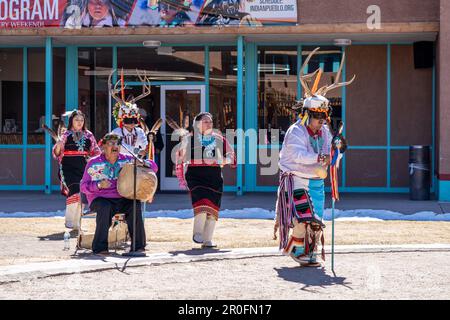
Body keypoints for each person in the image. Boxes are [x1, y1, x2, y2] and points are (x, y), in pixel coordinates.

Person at [276, 48, 354, 267]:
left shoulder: (325, 132)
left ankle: (310, 253)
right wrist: (318, 158)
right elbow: (296, 155)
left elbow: (331, 150)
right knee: (303, 218)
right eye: (318, 117)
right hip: (297, 179)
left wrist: (338, 147)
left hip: (317, 182)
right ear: (308, 114)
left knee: (317, 222)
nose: (322, 121)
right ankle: (297, 249)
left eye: (324, 117)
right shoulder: (296, 131)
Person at [80, 133, 158, 255]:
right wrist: (99, 185)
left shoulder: (127, 159)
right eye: (111, 143)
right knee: (104, 206)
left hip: (122, 197)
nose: (115, 146)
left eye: (117, 143)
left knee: (134, 204)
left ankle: (138, 247)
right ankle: (100, 248)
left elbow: (154, 166)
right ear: (103, 147)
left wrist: (142, 163)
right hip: (100, 198)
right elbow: (83, 186)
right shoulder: (93, 163)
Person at [175, 112, 236, 248]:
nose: (209, 124)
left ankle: (207, 240)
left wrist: (224, 160)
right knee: (202, 204)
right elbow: (181, 158)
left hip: (214, 177)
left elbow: (231, 154)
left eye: (210, 121)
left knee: (213, 209)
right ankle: (198, 234)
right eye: (205, 121)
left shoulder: (219, 139)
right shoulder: (189, 139)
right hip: (195, 176)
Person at [53, 110, 101, 230]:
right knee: (74, 190)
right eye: (76, 120)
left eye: (81, 120)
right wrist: (58, 145)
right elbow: (57, 153)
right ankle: (69, 221)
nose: (79, 122)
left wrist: (94, 161)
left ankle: (77, 224)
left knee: (82, 193)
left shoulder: (88, 135)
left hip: (83, 168)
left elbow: (96, 151)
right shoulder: (66, 135)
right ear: (71, 122)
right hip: (67, 168)